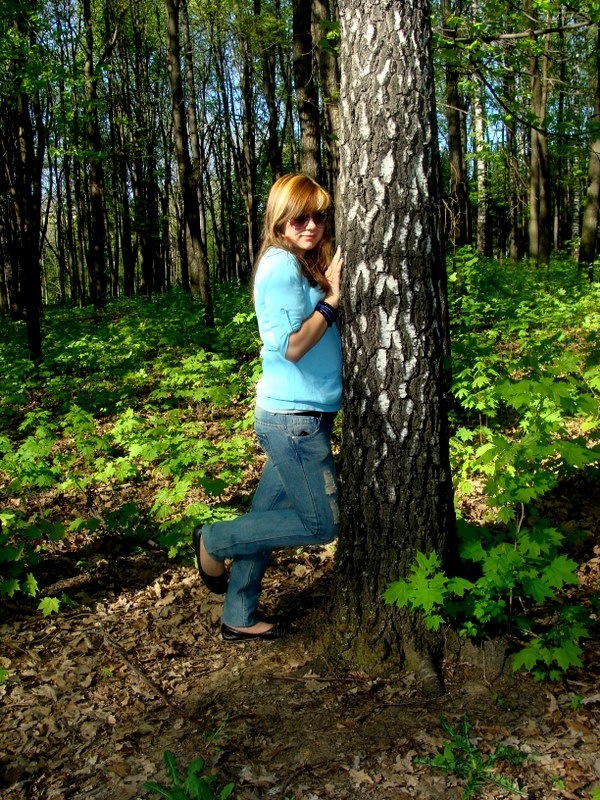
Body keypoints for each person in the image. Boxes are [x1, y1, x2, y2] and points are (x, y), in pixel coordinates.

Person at [192, 173, 344, 641]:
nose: (311, 225)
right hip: (293, 421)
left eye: (320, 216)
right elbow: (292, 347)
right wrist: (333, 300)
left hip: (304, 415)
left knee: (264, 520)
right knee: (323, 524)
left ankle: (238, 613)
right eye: (300, 217)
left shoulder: (299, 261)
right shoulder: (279, 266)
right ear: (280, 218)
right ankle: (213, 539)